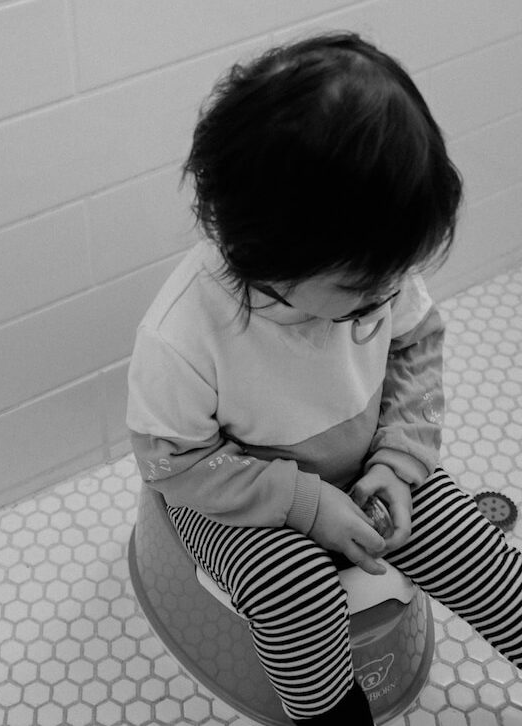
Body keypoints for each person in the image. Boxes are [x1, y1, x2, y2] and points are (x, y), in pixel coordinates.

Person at [126, 32, 522, 724]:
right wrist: (305, 506)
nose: (387, 296)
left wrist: (399, 464)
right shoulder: (183, 334)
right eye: (360, 289)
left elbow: (416, 349)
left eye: (392, 277)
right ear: (265, 257)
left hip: (363, 465)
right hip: (234, 498)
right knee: (295, 588)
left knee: (469, 541)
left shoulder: (374, 271)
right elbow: (175, 464)